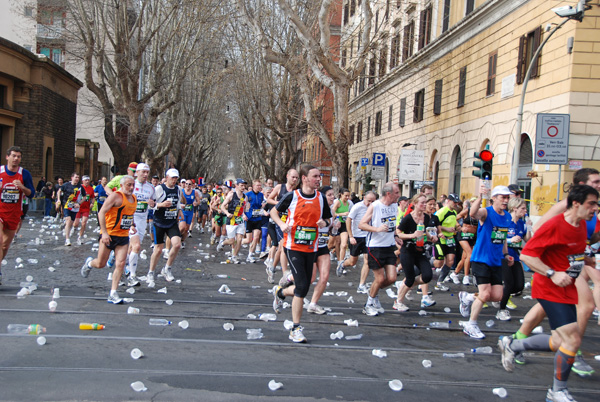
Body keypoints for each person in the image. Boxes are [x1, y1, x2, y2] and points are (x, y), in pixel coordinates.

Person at [498, 185, 598, 402]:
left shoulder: (581, 225)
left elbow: (572, 252)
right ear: (576, 204)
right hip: (549, 287)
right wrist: (552, 273)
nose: (595, 208)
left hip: (567, 288)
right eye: (591, 203)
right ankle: (557, 391)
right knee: (572, 339)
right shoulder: (555, 225)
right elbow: (527, 256)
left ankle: (513, 344)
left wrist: (585, 259)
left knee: (559, 342)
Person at [271, 165, 331, 343]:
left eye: (319, 176)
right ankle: (295, 329)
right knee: (303, 286)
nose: (318, 179)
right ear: (304, 178)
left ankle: (281, 293)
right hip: (293, 246)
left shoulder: (320, 198)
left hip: (311, 247)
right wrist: (282, 226)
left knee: (304, 284)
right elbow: (274, 211)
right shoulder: (293, 196)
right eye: (315, 176)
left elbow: (329, 218)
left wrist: (324, 222)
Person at [458, 185, 512, 339]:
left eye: (507, 197)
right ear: (493, 198)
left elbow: (502, 239)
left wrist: (506, 254)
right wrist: (480, 197)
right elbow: (473, 213)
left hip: (496, 261)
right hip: (481, 259)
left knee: (497, 296)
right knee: (485, 293)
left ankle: (467, 297)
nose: (506, 200)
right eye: (503, 197)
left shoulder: (507, 216)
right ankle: (471, 324)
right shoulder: (486, 212)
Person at [80, 175, 137, 304]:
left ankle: (113, 293)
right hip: (109, 235)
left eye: (133, 185)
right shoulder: (115, 196)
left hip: (123, 236)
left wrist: (132, 225)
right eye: (129, 185)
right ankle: (89, 264)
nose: (131, 187)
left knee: (121, 263)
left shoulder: (133, 198)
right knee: (101, 264)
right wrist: (104, 233)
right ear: (122, 186)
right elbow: (101, 213)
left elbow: (129, 214)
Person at [358, 182, 400, 316]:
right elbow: (361, 224)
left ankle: (374, 292)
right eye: (397, 193)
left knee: (392, 278)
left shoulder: (394, 206)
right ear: (389, 194)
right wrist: (377, 229)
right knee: (380, 279)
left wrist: (396, 235)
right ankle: (369, 303)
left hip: (389, 246)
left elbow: (391, 223)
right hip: (375, 246)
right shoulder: (375, 206)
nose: (399, 195)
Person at [394, 193, 439, 311]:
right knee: (409, 278)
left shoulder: (427, 217)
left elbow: (424, 231)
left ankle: (404, 286)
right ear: (415, 204)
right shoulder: (408, 218)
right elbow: (398, 233)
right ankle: (398, 301)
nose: (424, 205)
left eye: (425, 202)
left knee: (427, 276)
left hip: (420, 250)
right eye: (422, 203)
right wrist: (412, 235)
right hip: (408, 250)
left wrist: (431, 237)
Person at [0, 146, 35, 284]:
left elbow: (31, 193)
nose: (16, 159)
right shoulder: (0, 171)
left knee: (4, 247)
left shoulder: (24, 174)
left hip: (14, 214)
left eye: (18, 156)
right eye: (14, 156)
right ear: (7, 157)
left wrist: (22, 187)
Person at [146, 168, 185, 287]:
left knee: (177, 244)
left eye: (175, 178)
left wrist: (179, 210)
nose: (174, 180)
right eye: (172, 178)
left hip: (172, 221)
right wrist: (161, 205)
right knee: (158, 249)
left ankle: (167, 268)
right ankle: (151, 272)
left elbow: (177, 202)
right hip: (159, 222)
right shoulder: (159, 189)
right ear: (166, 177)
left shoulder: (178, 189)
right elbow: (150, 204)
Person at [496, 197, 531, 321]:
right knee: (509, 283)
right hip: (503, 255)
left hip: (515, 256)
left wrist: (529, 227)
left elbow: (527, 240)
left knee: (519, 286)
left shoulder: (521, 223)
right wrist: (511, 240)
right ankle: (501, 309)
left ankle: (499, 296)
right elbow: (497, 238)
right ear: (514, 208)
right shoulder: (505, 220)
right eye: (522, 208)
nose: (525, 211)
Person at [306, 185, 336, 314]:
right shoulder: (315, 208)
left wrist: (334, 226)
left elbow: (332, 231)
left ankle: (313, 304)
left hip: (323, 246)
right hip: (310, 246)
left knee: (324, 277)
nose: (332, 197)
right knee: (310, 279)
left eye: (333, 195)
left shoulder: (332, 212)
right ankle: (287, 284)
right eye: (329, 195)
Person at [336, 191, 376, 285]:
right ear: (364, 197)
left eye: (373, 201)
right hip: (356, 237)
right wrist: (351, 236)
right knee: (352, 262)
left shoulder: (375, 208)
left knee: (367, 261)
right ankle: (342, 264)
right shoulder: (357, 206)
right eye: (369, 201)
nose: (370, 203)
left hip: (368, 237)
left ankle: (361, 284)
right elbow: (348, 220)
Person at [127, 163, 155, 286]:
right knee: (137, 246)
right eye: (143, 172)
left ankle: (121, 263)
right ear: (136, 172)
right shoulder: (130, 185)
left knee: (131, 248)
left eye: (147, 172)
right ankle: (132, 276)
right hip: (130, 219)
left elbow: (153, 203)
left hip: (142, 220)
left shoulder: (151, 187)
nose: (145, 174)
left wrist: (152, 203)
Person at [432, 194, 460, 291]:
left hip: (450, 239)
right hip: (441, 238)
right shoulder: (442, 211)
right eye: (454, 202)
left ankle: (440, 282)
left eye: (457, 202)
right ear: (448, 201)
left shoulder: (454, 212)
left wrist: (456, 228)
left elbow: (453, 223)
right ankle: (425, 263)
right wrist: (445, 229)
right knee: (439, 262)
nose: (456, 204)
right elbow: (434, 223)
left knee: (450, 260)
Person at [218, 178, 248, 263]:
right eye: (241, 185)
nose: (243, 187)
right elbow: (222, 206)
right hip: (231, 220)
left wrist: (244, 215)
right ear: (236, 186)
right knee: (231, 240)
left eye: (244, 186)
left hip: (240, 220)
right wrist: (227, 213)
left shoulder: (245, 197)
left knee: (239, 239)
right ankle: (223, 243)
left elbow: (243, 210)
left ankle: (234, 256)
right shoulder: (231, 195)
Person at [56, 173, 83, 246]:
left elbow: (85, 196)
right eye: (76, 177)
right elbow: (59, 191)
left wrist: (79, 203)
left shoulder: (80, 187)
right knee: (68, 220)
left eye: (78, 177)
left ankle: (65, 225)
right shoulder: (66, 185)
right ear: (72, 178)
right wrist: (58, 199)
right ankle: (67, 239)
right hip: (66, 205)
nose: (77, 178)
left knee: (71, 223)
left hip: (74, 207)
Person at [245, 179, 266, 263]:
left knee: (256, 237)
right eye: (257, 185)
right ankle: (238, 242)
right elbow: (244, 206)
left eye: (260, 185)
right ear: (253, 186)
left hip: (258, 218)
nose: (259, 187)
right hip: (250, 218)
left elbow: (262, 205)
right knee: (248, 240)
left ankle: (250, 255)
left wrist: (263, 207)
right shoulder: (248, 195)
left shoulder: (261, 195)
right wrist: (244, 214)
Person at [330, 188, 353, 262]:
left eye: (348, 196)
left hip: (344, 224)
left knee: (343, 244)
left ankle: (340, 262)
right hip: (336, 225)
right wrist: (342, 214)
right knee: (335, 243)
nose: (347, 197)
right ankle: (335, 255)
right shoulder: (338, 202)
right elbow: (332, 213)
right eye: (345, 196)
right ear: (341, 195)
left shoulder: (348, 203)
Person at [73, 175, 95, 245]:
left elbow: (93, 197)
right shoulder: (79, 187)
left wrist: (92, 203)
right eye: (86, 180)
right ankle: (74, 228)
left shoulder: (91, 189)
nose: (87, 181)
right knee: (76, 224)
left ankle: (79, 237)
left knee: (84, 223)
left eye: (88, 180)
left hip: (86, 208)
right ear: (82, 181)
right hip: (78, 207)